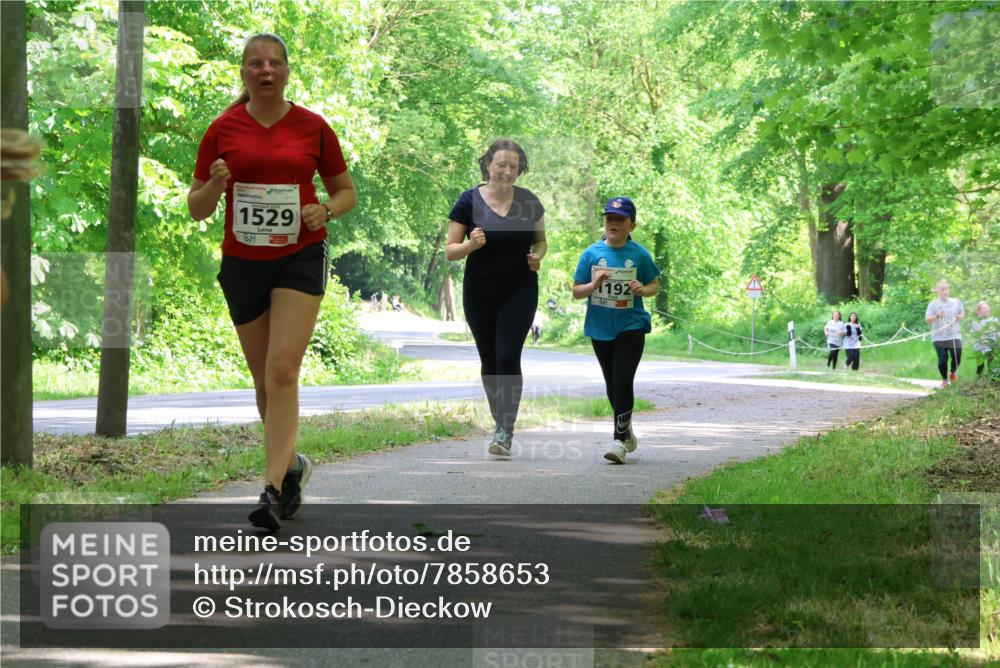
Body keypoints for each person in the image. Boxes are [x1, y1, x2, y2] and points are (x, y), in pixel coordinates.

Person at [187, 33, 356, 530]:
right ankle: (292, 465)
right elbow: (196, 209)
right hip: (243, 263)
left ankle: (271, 487)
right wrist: (215, 186)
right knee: (264, 380)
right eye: (256, 63)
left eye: (275, 63)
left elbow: (345, 193)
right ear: (243, 72)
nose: (266, 71)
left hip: (299, 256)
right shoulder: (222, 129)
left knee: (283, 370)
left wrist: (323, 209)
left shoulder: (312, 127)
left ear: (286, 71)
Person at [445, 139, 546, 458]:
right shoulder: (468, 201)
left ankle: (505, 429)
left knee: (506, 356)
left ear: (520, 170)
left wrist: (537, 256)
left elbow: (542, 242)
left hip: (520, 290)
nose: (507, 171)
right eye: (501, 164)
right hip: (480, 292)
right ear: (488, 165)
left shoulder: (530, 202)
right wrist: (470, 246)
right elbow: (450, 251)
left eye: (513, 167)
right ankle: (499, 419)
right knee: (489, 361)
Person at [572, 197, 660, 464]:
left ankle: (619, 441)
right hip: (600, 328)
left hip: (631, 326)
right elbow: (577, 291)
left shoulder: (640, 254)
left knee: (622, 379)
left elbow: (654, 284)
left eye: (620, 219)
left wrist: (642, 290)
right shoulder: (591, 254)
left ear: (631, 225)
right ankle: (627, 430)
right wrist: (594, 283)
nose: (614, 223)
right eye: (610, 218)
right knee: (612, 385)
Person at [925, 280, 965, 388]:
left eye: (946, 289)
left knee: (957, 353)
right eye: (942, 289)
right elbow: (928, 319)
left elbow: (962, 313)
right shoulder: (933, 304)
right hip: (938, 336)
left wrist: (959, 317)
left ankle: (953, 372)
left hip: (954, 334)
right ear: (938, 291)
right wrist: (937, 316)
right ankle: (944, 380)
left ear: (949, 290)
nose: (944, 291)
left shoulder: (956, 302)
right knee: (943, 358)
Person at [970, 301, 998, 378]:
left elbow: (997, 332)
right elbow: (976, 334)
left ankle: (992, 380)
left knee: (991, 364)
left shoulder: (994, 320)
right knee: (980, 366)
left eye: (987, 307)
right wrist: (981, 337)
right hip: (980, 347)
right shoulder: (976, 322)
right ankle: (980, 380)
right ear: (978, 311)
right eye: (984, 308)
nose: (987, 309)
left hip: (991, 346)